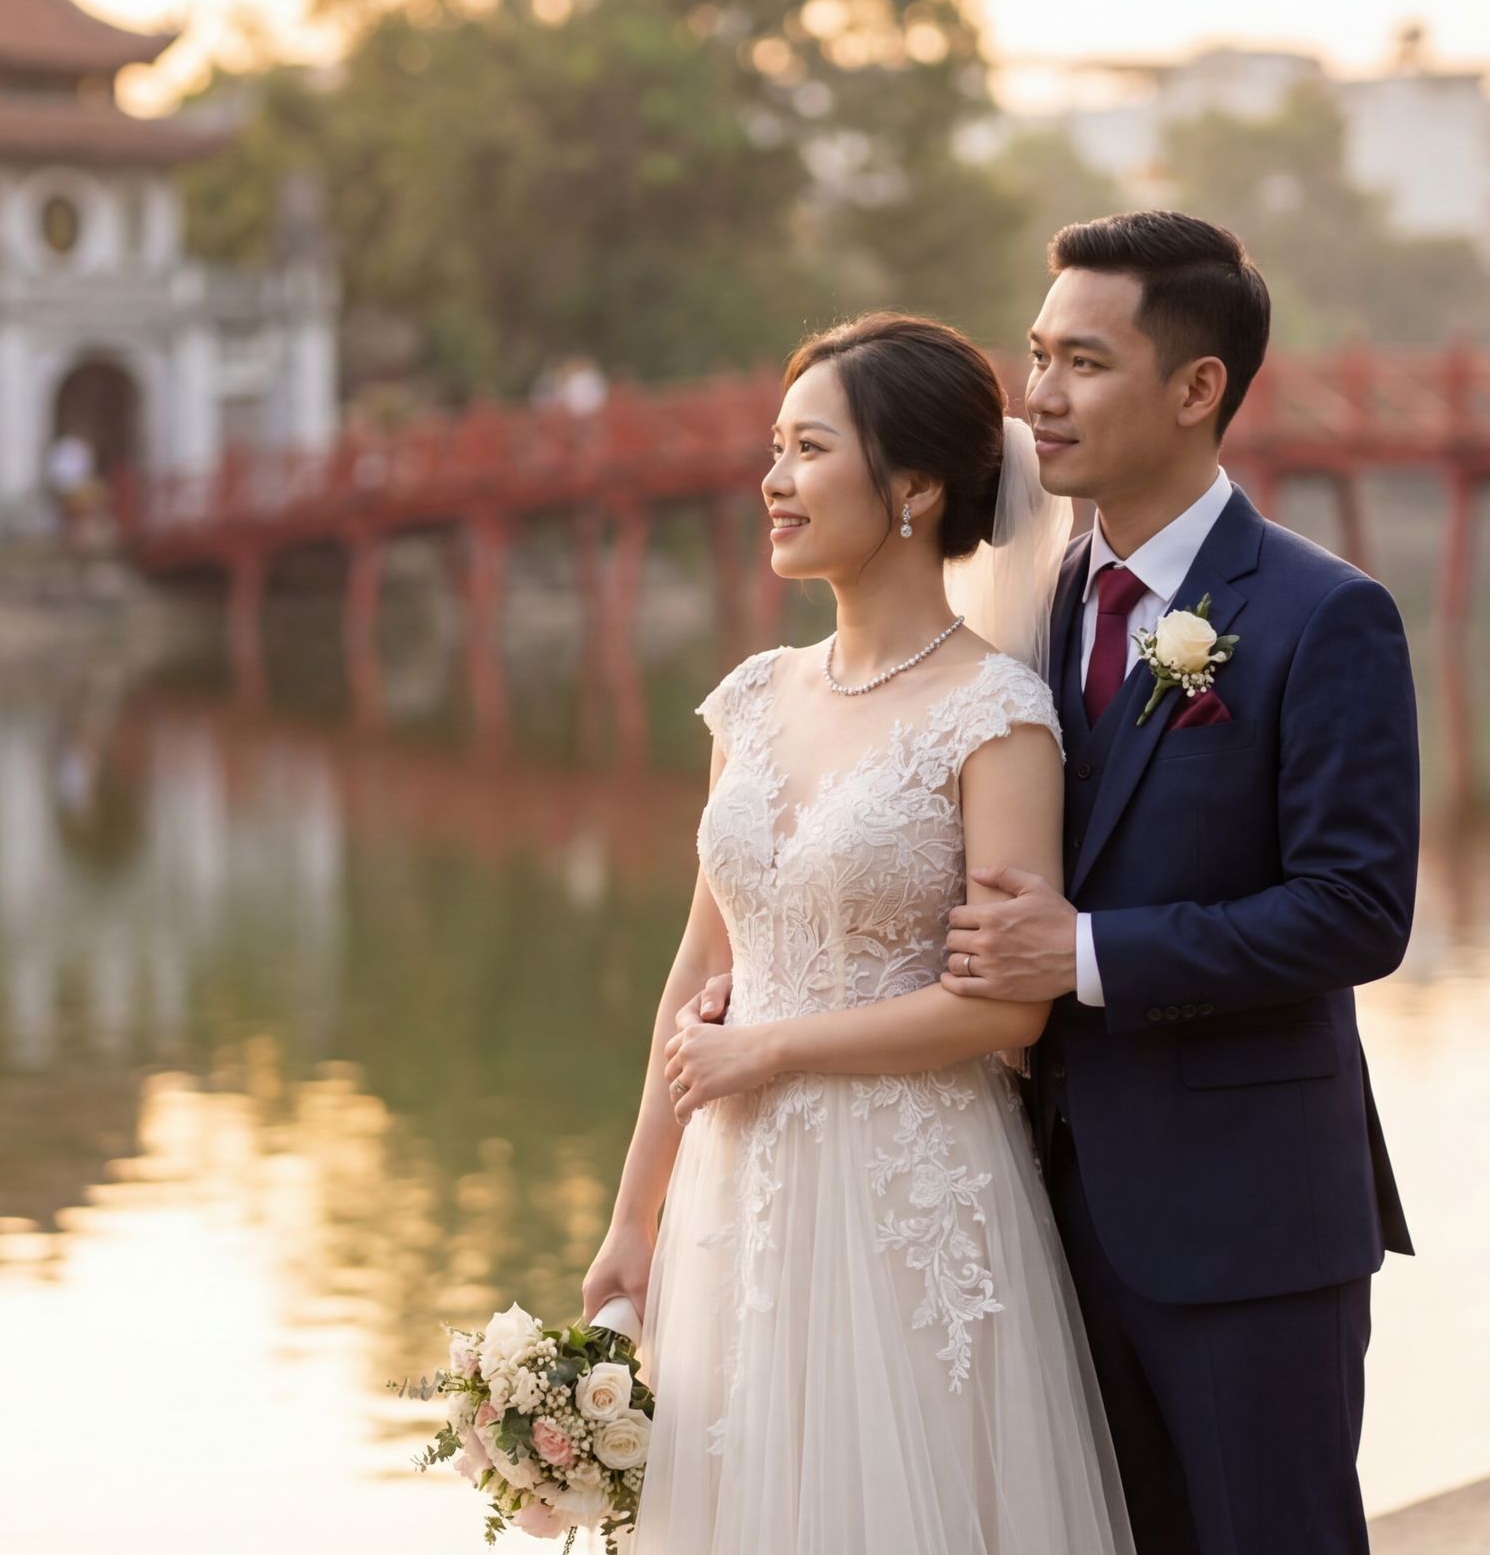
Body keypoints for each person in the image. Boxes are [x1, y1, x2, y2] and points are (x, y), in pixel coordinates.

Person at [580, 313, 1132, 1554]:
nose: (772, 481)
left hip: (909, 1195)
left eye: (807, 449)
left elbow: (1007, 1008)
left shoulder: (997, 716)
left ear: (916, 488)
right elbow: (702, 973)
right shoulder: (754, 698)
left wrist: (773, 1052)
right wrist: (633, 1223)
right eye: (773, 449)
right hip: (739, 1194)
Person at [939, 210, 1419, 1554]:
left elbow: (1357, 911)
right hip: (1052, 1216)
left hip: (1251, 1227)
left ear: (1198, 386)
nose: (1040, 394)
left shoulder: (1325, 617)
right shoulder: (1027, 606)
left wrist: (1085, 954)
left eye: (1083, 362)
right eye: (1036, 355)